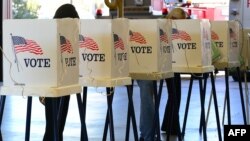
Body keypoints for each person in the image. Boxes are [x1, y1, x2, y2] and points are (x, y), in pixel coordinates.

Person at [42, 4, 79, 141]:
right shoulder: (64, 35)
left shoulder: (52, 32)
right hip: (59, 79)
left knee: (53, 126)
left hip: (57, 79)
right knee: (56, 126)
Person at [161, 7, 189, 135]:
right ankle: (172, 126)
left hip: (174, 64)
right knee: (174, 94)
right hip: (167, 64)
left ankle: (168, 124)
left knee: (175, 94)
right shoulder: (165, 27)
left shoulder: (167, 25)